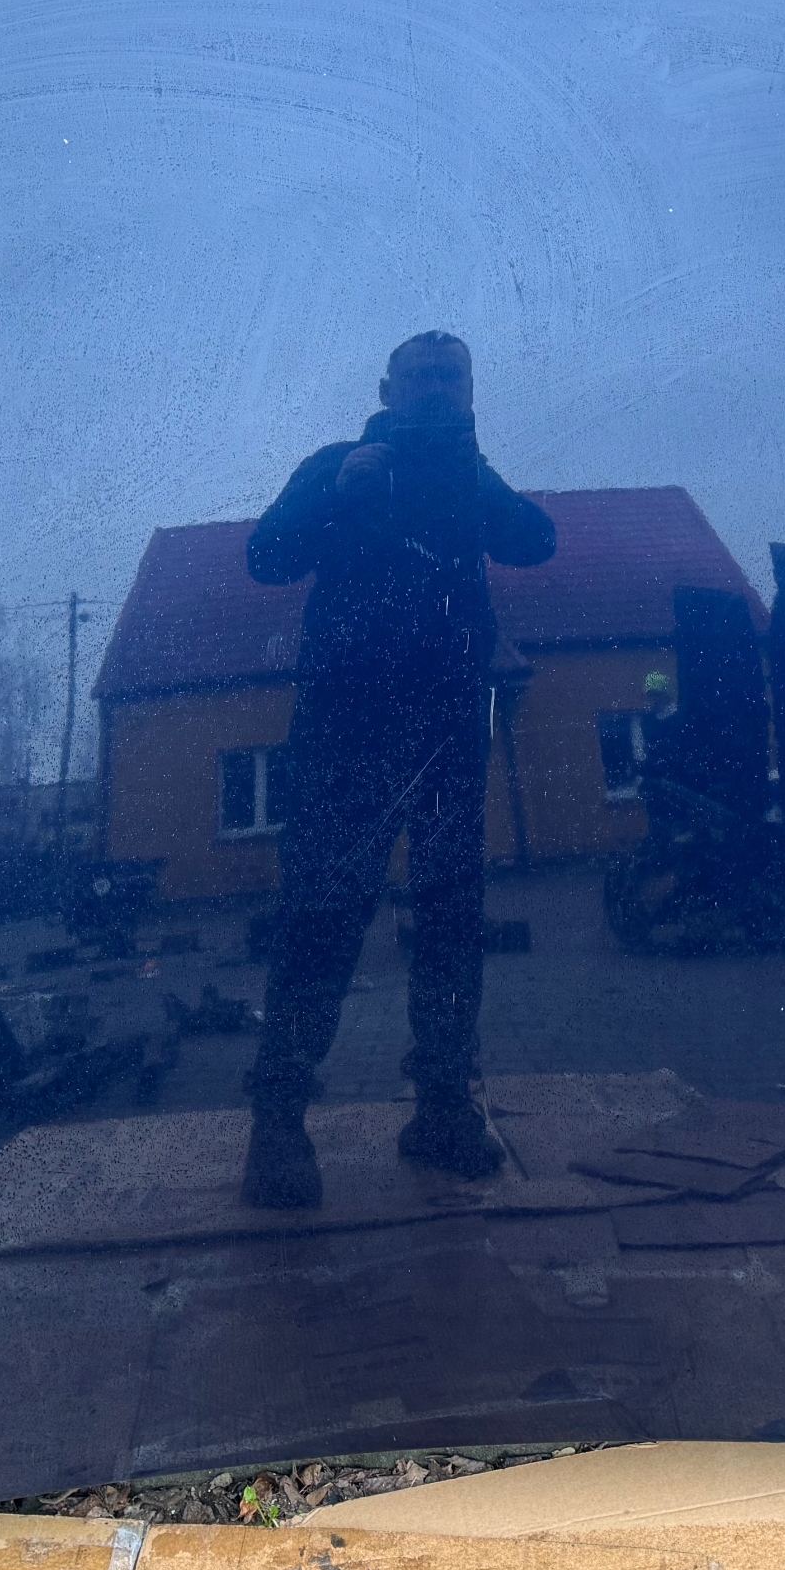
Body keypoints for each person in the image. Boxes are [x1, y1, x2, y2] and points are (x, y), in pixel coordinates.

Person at [241, 331, 555, 1208]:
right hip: (346, 724)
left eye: (452, 376)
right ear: (388, 389)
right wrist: (335, 495)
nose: (437, 389)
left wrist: (480, 484)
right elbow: (266, 556)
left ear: (470, 390)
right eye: (421, 376)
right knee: (323, 909)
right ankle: (277, 1122)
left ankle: (444, 1108)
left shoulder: (469, 476)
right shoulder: (341, 463)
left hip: (448, 727)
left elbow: (536, 541)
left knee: (452, 912)